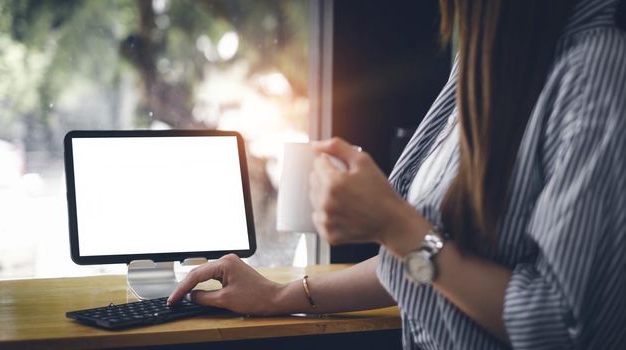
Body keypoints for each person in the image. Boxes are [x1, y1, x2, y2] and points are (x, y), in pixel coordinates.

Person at [168, 0, 626, 348]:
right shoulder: (487, 60)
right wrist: (277, 297)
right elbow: (425, 263)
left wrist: (394, 224)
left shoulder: (596, 72)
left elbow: (562, 323)